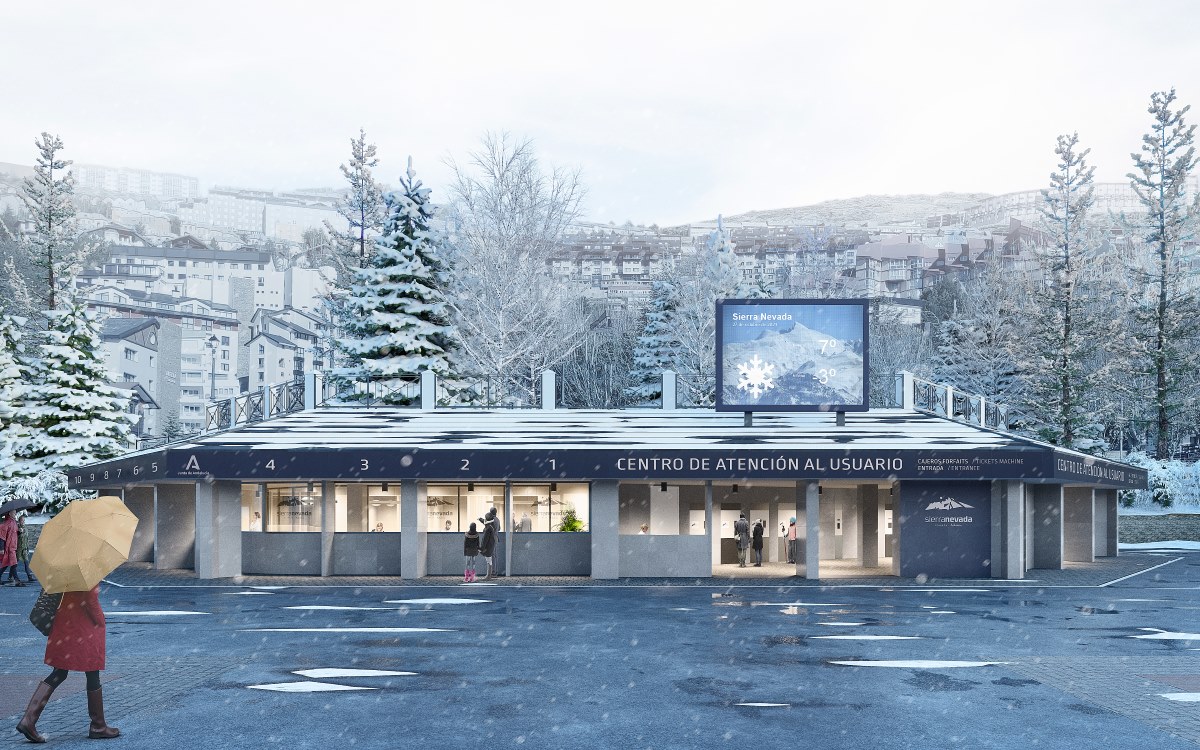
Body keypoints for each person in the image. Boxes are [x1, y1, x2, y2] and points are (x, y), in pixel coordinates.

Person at [17, 585, 120, 741]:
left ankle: (29, 719)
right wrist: (100, 620)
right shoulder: (85, 572)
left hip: (64, 623)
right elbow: (90, 601)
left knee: (59, 672)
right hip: (83, 627)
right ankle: (98, 725)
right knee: (92, 672)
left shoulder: (63, 571)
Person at [478, 507, 500, 580]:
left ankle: (492, 573)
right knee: (494, 556)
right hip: (495, 538)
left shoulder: (491, 521)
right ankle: (494, 572)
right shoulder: (497, 519)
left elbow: (486, 523)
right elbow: (499, 528)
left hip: (491, 540)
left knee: (491, 556)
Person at [0, 511, 20, 586]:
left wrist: (19, 532)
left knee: (6, 564)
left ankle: (16, 579)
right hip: (8, 548)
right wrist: (1, 548)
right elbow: (2, 537)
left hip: (13, 547)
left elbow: (14, 534)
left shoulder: (14, 522)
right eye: (14, 513)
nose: (15, 514)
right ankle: (17, 580)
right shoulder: (6, 524)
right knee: (13, 564)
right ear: (9, 514)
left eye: (15, 512)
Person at [17, 514, 35, 584]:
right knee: (15, 563)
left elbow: (26, 539)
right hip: (18, 548)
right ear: (19, 521)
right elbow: (16, 538)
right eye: (22, 520)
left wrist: (27, 548)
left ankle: (29, 576)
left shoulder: (26, 528)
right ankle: (11, 576)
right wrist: (19, 532)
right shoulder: (16, 528)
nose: (23, 522)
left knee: (26, 562)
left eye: (24, 520)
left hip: (24, 548)